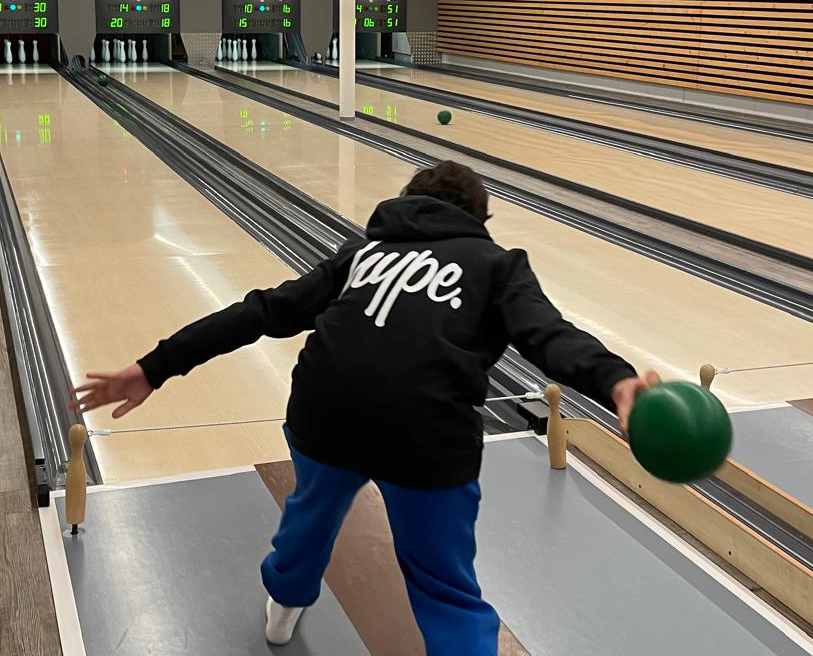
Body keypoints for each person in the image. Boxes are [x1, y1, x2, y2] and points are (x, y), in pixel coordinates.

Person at [71, 160, 652, 655]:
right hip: (426, 432)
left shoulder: (363, 253)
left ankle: (284, 603)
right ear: (481, 220)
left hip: (328, 411)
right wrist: (616, 381)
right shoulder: (498, 264)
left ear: (406, 203)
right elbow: (548, 335)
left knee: (312, 515)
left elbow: (263, 311)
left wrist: (155, 366)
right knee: (443, 583)